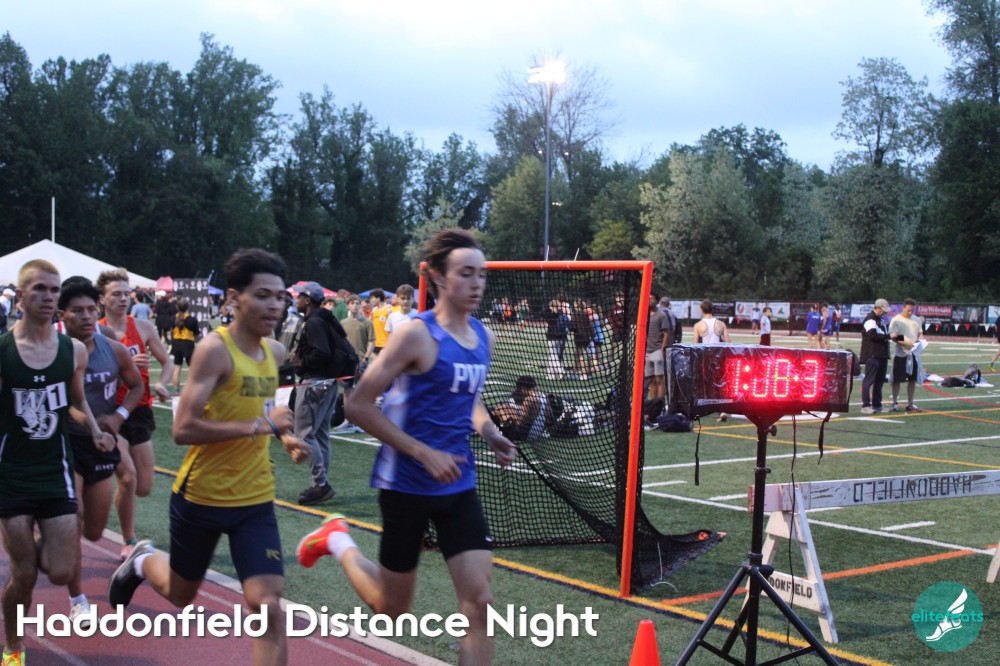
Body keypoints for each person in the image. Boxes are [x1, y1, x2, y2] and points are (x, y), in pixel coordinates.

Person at [295, 229, 516, 665]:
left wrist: (490, 432)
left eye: (482, 275)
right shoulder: (416, 334)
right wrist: (422, 452)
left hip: (458, 484)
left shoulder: (483, 337)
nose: (476, 284)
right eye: (465, 274)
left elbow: (468, 397)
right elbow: (357, 404)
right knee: (390, 610)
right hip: (406, 485)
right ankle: (338, 540)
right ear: (438, 277)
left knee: (480, 605)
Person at [107, 248, 309, 666]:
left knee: (269, 608)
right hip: (202, 497)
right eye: (263, 295)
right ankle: (143, 561)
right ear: (234, 298)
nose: (274, 305)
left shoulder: (273, 352)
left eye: (280, 297)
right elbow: (183, 429)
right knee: (181, 593)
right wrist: (260, 427)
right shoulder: (214, 350)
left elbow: (264, 409)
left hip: (255, 498)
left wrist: (285, 436)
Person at [1, 260, 116, 666]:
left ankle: (32, 551)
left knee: (61, 570)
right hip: (12, 474)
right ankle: (13, 649)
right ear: (21, 296)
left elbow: (75, 400)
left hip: (56, 472)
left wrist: (95, 429)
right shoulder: (4, 351)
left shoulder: (73, 351)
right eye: (40, 289)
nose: (48, 297)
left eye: (54, 289)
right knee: (24, 576)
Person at [57, 277, 144, 626]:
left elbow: (136, 385)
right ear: (62, 315)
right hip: (66, 441)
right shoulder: (55, 350)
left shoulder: (114, 349)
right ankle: (77, 599)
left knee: (94, 531)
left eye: (91, 309)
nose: (86, 317)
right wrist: (91, 426)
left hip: (102, 444)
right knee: (73, 519)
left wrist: (118, 416)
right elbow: (68, 402)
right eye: (77, 311)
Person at [97, 268, 174, 561]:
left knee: (143, 487)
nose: (123, 299)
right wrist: (125, 366)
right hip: (110, 413)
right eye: (115, 294)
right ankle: (128, 540)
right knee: (128, 478)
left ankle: (109, 486)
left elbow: (166, 362)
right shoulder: (97, 332)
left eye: (126, 293)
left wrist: (162, 383)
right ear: (102, 299)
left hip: (140, 410)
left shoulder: (142, 327)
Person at [291, 281, 345, 506]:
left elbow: (321, 352)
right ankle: (320, 483)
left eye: (299, 297)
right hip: (328, 383)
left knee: (304, 434)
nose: (296, 300)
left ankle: (321, 484)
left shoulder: (314, 322)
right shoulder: (324, 318)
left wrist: (302, 362)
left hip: (315, 382)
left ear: (307, 300)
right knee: (321, 434)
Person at [693, 300, 732, 421]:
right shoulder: (721, 324)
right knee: (720, 384)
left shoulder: (698, 325)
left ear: (702, 310)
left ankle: (703, 408)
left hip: (705, 357)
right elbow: (728, 342)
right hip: (719, 357)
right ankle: (722, 410)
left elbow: (695, 344)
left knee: (705, 383)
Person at [889, 298, 924, 413]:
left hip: (913, 354)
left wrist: (920, 341)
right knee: (897, 380)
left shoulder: (916, 319)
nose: (910, 313)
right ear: (903, 308)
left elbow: (920, 333)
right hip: (901, 354)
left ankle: (910, 403)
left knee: (912, 379)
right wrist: (907, 342)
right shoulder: (896, 320)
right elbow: (893, 336)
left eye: (912, 310)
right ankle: (895, 402)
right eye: (908, 310)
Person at [860, 298, 892, 414]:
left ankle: (877, 405)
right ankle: (866, 405)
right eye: (883, 310)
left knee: (879, 381)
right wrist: (888, 336)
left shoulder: (880, 319)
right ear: (877, 308)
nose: (884, 313)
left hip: (881, 354)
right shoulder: (870, 319)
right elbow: (872, 335)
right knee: (869, 380)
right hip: (872, 354)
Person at [492, 375, 549, 441]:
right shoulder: (543, 396)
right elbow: (549, 418)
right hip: (538, 433)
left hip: (526, 435)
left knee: (501, 409)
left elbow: (519, 423)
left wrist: (510, 411)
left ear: (522, 387)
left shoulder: (528, 400)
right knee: (503, 409)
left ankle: (496, 426)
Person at [170, 297, 200, 395]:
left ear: (177, 307)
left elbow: (172, 331)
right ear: (187, 307)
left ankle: (176, 390)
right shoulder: (192, 319)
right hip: (188, 344)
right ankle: (192, 388)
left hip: (176, 343)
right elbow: (196, 333)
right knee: (192, 368)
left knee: (177, 367)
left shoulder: (173, 318)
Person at [644, 295, 670, 405]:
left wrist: (662, 348)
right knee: (651, 380)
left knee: (659, 378)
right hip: (647, 351)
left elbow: (666, 333)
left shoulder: (661, 315)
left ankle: (660, 403)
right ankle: (653, 404)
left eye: (652, 298)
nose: (650, 300)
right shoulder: (644, 314)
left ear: (657, 301)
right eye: (648, 298)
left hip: (657, 350)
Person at [369, 289, 391, 357]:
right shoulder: (374, 310)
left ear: (378, 298)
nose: (371, 300)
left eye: (372, 298)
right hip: (375, 343)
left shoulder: (388, 309)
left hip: (385, 344)